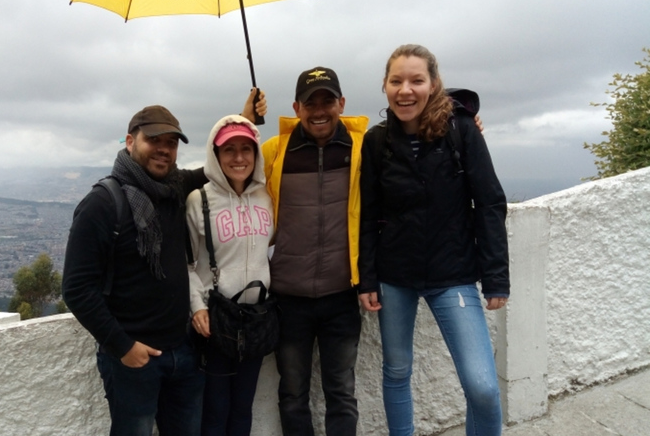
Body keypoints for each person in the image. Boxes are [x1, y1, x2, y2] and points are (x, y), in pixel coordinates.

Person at [62, 92, 265, 436]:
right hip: (133, 358)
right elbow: (77, 288)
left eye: (171, 142)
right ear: (130, 141)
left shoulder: (174, 187)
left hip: (184, 351)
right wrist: (123, 347)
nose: (163, 149)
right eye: (153, 140)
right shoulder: (102, 203)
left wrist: (243, 118)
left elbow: (220, 166)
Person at [358, 44, 509, 436]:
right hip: (395, 276)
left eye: (416, 80)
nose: (405, 90)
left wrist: (495, 278)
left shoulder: (461, 131)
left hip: (453, 274)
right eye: (396, 81)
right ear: (385, 86)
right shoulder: (376, 142)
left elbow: (489, 201)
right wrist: (367, 278)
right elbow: (369, 213)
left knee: (483, 388)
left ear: (434, 84)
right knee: (396, 371)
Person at [261, 67, 367, 436]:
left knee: (341, 393)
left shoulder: (362, 147)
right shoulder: (274, 151)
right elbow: (229, 163)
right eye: (310, 102)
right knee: (292, 394)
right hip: (288, 297)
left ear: (341, 103)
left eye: (327, 100)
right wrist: (246, 118)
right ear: (296, 107)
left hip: (342, 294)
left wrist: (464, 126)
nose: (319, 110)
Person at [187, 115, 274, 436]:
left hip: (255, 319)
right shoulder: (200, 201)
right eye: (229, 150)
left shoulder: (267, 198)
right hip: (217, 321)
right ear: (216, 155)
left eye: (246, 149)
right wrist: (196, 306)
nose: (239, 158)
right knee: (215, 409)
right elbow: (187, 262)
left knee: (242, 408)